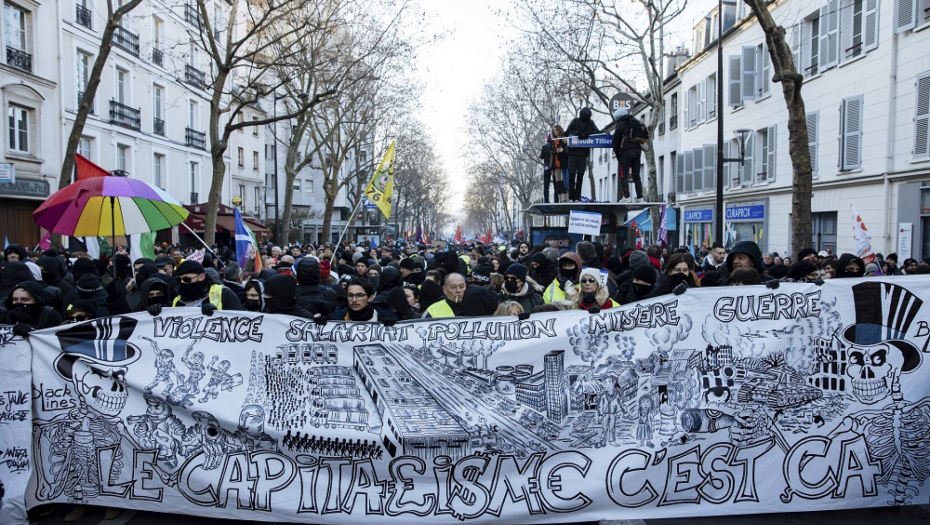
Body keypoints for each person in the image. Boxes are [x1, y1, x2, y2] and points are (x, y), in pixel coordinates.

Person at [152, 260, 242, 315]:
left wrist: (218, 314)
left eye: (187, 279)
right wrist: (159, 311)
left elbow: (238, 319)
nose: (182, 283)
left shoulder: (223, 293)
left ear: (201, 277)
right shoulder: (177, 300)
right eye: (179, 280)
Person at [563, 107, 599, 201]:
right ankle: (571, 197)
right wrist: (577, 133)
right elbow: (567, 133)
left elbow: (597, 132)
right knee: (572, 176)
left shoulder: (590, 123)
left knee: (580, 176)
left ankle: (577, 197)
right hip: (573, 153)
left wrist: (588, 133)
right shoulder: (575, 121)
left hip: (583, 154)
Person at [612, 107, 645, 202]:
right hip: (637, 150)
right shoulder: (635, 122)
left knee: (623, 174)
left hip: (626, 151)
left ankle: (626, 196)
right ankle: (640, 197)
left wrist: (619, 155)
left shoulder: (620, 125)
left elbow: (616, 141)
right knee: (636, 175)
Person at [332, 278, 397, 322]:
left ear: (370, 298)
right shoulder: (338, 316)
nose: (354, 300)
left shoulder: (385, 316)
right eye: (350, 295)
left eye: (359, 295)